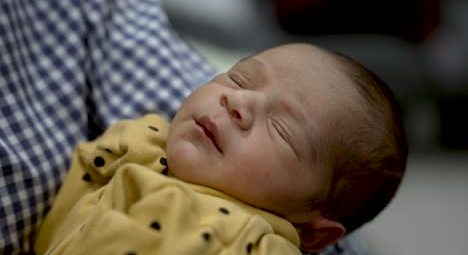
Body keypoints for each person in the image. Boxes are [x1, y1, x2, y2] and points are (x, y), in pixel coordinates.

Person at [34, 43, 407, 254]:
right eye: (239, 77)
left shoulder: (258, 244)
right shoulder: (136, 144)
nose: (237, 102)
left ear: (313, 233)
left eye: (281, 129)